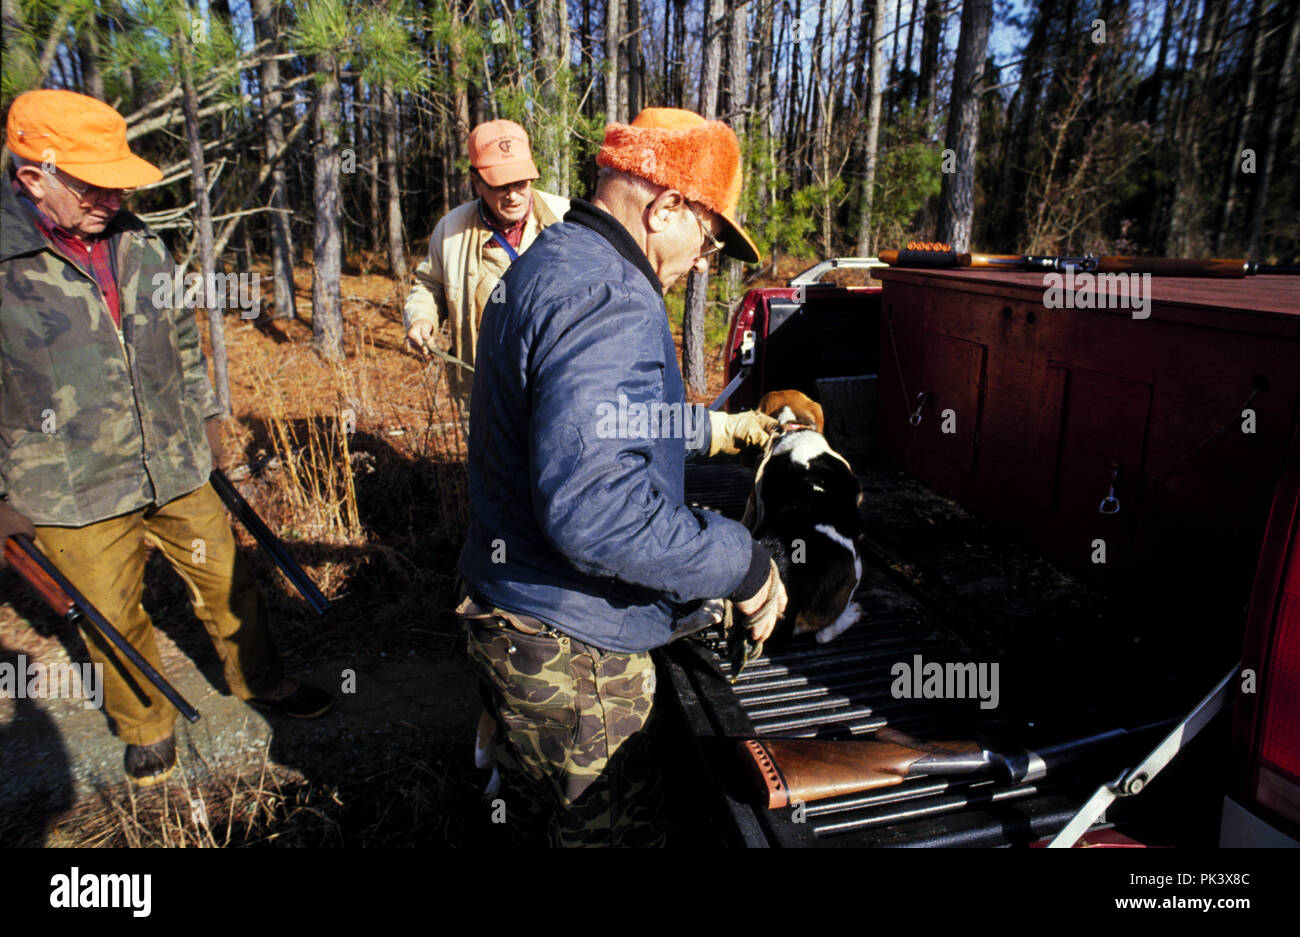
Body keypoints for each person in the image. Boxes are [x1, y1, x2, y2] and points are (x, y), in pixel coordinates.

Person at [456, 107, 787, 847]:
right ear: (665, 205)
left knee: (531, 817)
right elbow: (597, 509)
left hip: (515, 614)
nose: (706, 261)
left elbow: (585, 427)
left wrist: (709, 430)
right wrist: (742, 561)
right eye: (708, 237)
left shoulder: (554, 260)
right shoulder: (611, 294)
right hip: (572, 650)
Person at [0, 89, 331, 788]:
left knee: (229, 582)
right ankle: (148, 726)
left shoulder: (139, 239)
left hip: (174, 459)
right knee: (110, 616)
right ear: (34, 176)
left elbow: (180, 336)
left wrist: (206, 417)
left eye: (116, 182)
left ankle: (262, 682)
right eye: (92, 184)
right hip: (69, 483)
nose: (111, 198)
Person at [403, 119, 570, 400]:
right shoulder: (451, 230)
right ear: (476, 182)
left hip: (556, 382)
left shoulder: (566, 218)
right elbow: (430, 284)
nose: (514, 196)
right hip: (483, 385)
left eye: (521, 182)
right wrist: (421, 318)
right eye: (501, 186)